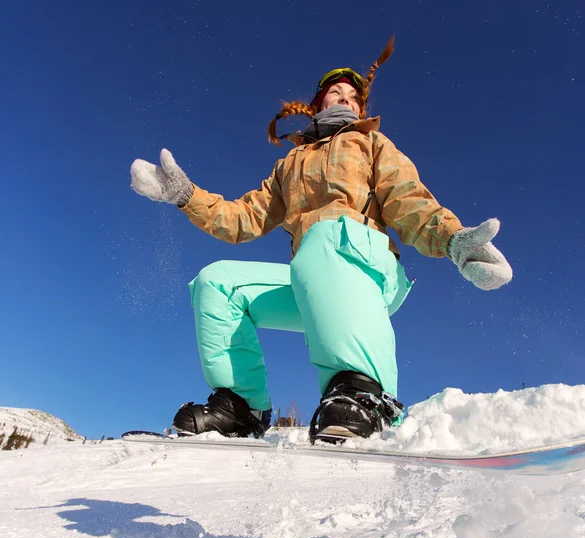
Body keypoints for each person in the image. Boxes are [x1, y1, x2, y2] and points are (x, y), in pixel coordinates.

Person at [130, 38, 512, 444]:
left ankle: (366, 393)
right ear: (318, 103)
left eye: (353, 96)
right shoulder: (289, 165)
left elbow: (408, 201)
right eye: (336, 92)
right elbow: (243, 218)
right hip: (314, 276)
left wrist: (454, 240)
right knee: (218, 282)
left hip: (366, 270)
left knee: (324, 235)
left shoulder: (371, 144)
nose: (345, 99)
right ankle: (242, 407)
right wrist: (185, 196)